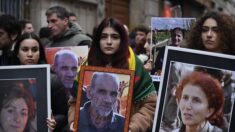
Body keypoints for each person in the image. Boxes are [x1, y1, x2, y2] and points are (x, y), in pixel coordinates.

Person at [68, 17, 157, 132]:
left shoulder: (134, 64)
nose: (109, 42)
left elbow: (150, 104)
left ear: (122, 40)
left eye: (115, 37)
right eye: (104, 37)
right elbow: (74, 101)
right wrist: (73, 122)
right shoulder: (87, 63)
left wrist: (133, 128)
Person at [47, 49, 79, 132]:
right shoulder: (48, 85)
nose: (70, 74)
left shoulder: (80, 88)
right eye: (64, 68)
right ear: (54, 68)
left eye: (74, 68)